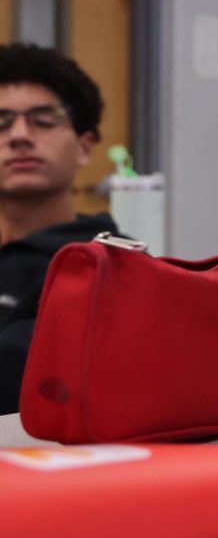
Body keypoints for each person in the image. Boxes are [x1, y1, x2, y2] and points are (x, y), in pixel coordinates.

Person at [0, 43, 121, 414]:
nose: (19, 135)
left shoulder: (109, 263)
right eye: (0, 122)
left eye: (44, 119)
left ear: (85, 147)